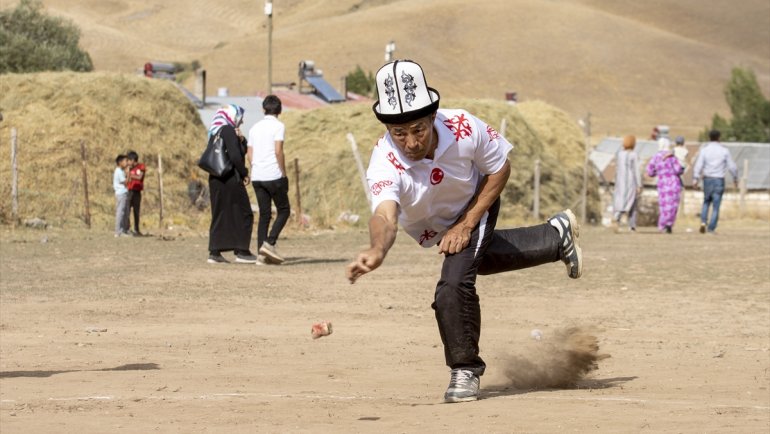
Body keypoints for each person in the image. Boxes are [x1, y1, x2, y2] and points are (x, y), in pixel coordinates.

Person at [345, 60, 583, 403]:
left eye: (418, 129)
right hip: (438, 221)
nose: (410, 142)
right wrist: (377, 249)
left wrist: (468, 222)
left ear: (432, 117)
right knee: (479, 260)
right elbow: (385, 215)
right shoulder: (384, 160)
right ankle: (555, 237)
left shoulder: (463, 126)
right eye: (399, 133)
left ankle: (465, 368)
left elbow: (500, 167)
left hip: (475, 201)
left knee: (453, 283)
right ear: (387, 129)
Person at [206, 104, 257, 264]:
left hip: (215, 178)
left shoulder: (215, 132)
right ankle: (242, 250)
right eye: (240, 119)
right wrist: (244, 173)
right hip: (230, 178)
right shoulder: (228, 131)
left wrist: (241, 139)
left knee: (220, 214)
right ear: (232, 116)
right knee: (245, 213)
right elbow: (236, 156)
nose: (241, 122)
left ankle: (214, 252)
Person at [247, 95, 290, 265]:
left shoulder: (254, 128)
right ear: (280, 110)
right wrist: (283, 173)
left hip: (257, 175)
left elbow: (249, 152)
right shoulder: (279, 126)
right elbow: (278, 150)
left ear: (263, 109)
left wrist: (255, 167)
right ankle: (269, 243)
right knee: (284, 210)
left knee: (264, 214)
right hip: (273, 174)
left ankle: (261, 255)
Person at [692, 129, 738, 234]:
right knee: (716, 205)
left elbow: (698, 165)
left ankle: (703, 222)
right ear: (719, 137)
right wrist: (735, 178)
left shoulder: (705, 150)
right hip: (718, 180)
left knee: (706, 201)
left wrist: (695, 179)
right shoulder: (724, 150)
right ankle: (711, 228)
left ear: (709, 137)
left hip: (707, 179)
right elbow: (732, 166)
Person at [646, 137, 684, 233]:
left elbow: (650, 172)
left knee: (664, 206)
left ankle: (662, 225)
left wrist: (658, 172)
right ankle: (669, 225)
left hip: (662, 184)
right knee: (673, 206)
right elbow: (678, 170)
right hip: (674, 183)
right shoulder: (671, 157)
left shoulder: (655, 157)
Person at [612, 135, 642, 232]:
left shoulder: (619, 154)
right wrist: (639, 184)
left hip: (620, 182)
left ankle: (617, 218)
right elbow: (636, 171)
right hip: (630, 182)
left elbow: (616, 169)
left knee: (621, 200)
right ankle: (630, 225)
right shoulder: (634, 155)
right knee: (632, 202)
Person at [126, 150, 146, 236]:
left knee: (136, 211)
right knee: (127, 210)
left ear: (134, 160)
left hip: (137, 192)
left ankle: (136, 229)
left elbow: (140, 177)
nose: (128, 162)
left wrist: (129, 174)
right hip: (129, 191)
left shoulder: (141, 166)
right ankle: (127, 228)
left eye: (129, 160)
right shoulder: (127, 168)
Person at [113, 154, 130, 237]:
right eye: (125, 161)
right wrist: (128, 174)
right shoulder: (118, 171)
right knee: (120, 212)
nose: (127, 163)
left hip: (124, 193)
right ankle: (118, 231)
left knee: (125, 212)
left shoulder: (120, 171)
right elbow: (126, 182)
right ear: (120, 162)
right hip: (121, 193)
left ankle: (123, 230)